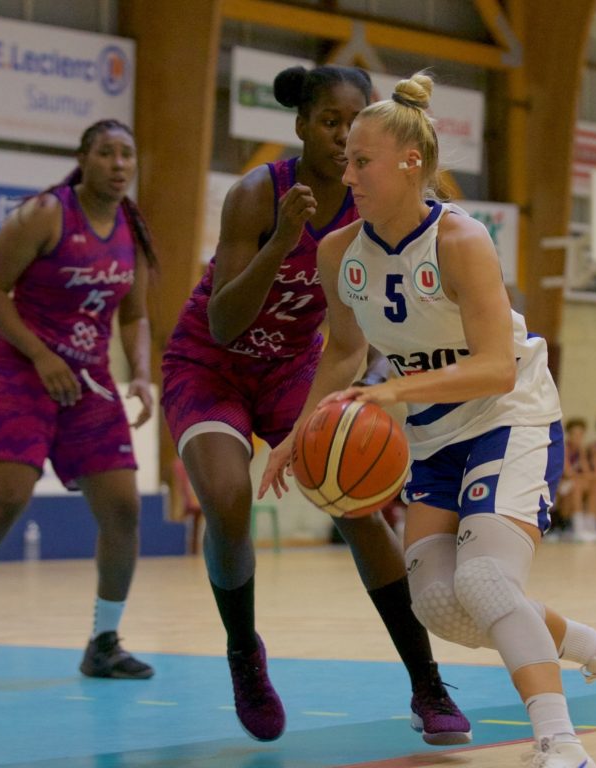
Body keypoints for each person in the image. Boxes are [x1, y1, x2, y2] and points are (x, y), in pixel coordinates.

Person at [260, 73, 596, 768]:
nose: (346, 175)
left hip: (510, 415)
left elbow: (496, 367)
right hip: (434, 436)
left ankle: (559, 743)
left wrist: (390, 392)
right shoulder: (337, 254)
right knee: (441, 604)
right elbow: (344, 354)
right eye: (346, 161)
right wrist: (297, 435)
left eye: (362, 161)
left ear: (410, 162)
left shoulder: (461, 239)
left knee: (485, 582)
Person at [160, 64, 469, 745]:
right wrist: (279, 240)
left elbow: (356, 332)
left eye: (354, 124)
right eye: (329, 122)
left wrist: (366, 388)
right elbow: (223, 323)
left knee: (358, 507)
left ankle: (427, 683)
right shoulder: (256, 194)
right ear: (302, 126)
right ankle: (244, 653)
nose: (341, 136)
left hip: (295, 368)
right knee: (227, 501)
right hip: (210, 365)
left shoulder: (370, 209)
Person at [0, 119, 158, 680]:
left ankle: (104, 642)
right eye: (107, 153)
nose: (119, 164)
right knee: (8, 499)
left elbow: (134, 315)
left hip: (87, 380)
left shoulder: (132, 230)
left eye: (127, 154)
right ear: (83, 159)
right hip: (20, 368)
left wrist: (141, 373)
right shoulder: (44, 214)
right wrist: (42, 355)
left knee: (124, 508)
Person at [557, 417, 596, 542]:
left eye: (581, 434)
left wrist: (591, 477)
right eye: (575, 434)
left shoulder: (581, 450)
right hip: (560, 486)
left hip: (574, 482)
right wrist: (585, 477)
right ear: (568, 434)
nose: (578, 437)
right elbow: (568, 473)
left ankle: (590, 527)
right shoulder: (563, 448)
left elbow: (587, 472)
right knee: (577, 485)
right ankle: (578, 529)